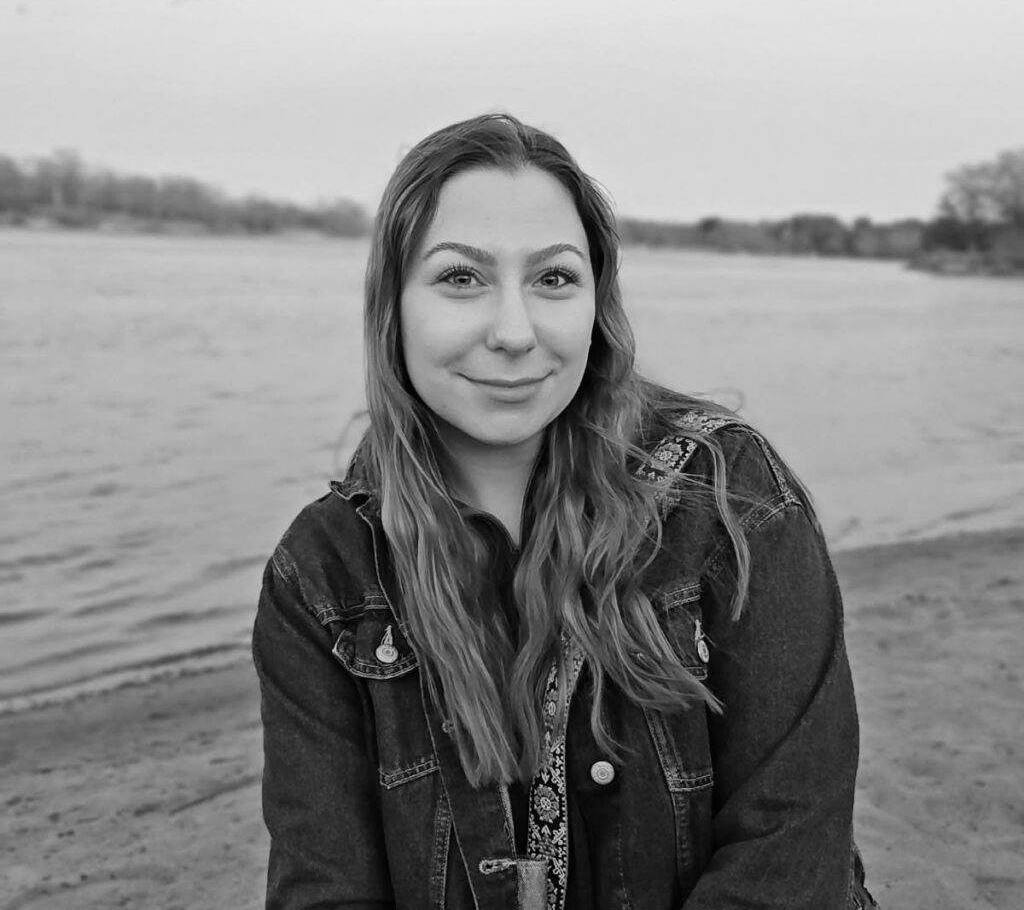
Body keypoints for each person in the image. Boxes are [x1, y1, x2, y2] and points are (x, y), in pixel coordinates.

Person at [252, 113, 879, 909]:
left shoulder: (726, 499)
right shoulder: (324, 575)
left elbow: (790, 847)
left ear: (595, 302)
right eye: (460, 278)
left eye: (553, 279)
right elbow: (325, 887)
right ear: (393, 308)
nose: (515, 333)